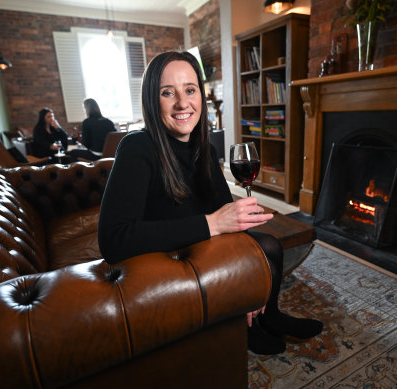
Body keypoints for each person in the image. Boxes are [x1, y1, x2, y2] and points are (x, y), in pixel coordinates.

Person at [97, 51, 322, 355]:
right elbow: (113, 241)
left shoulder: (203, 146)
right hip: (164, 255)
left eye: (190, 90)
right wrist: (214, 223)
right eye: (168, 93)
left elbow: (225, 212)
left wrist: (247, 277)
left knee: (269, 245)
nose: (182, 103)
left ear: (201, 96)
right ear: (152, 100)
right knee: (263, 247)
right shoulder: (136, 147)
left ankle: (268, 315)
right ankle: (252, 329)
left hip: (201, 241)